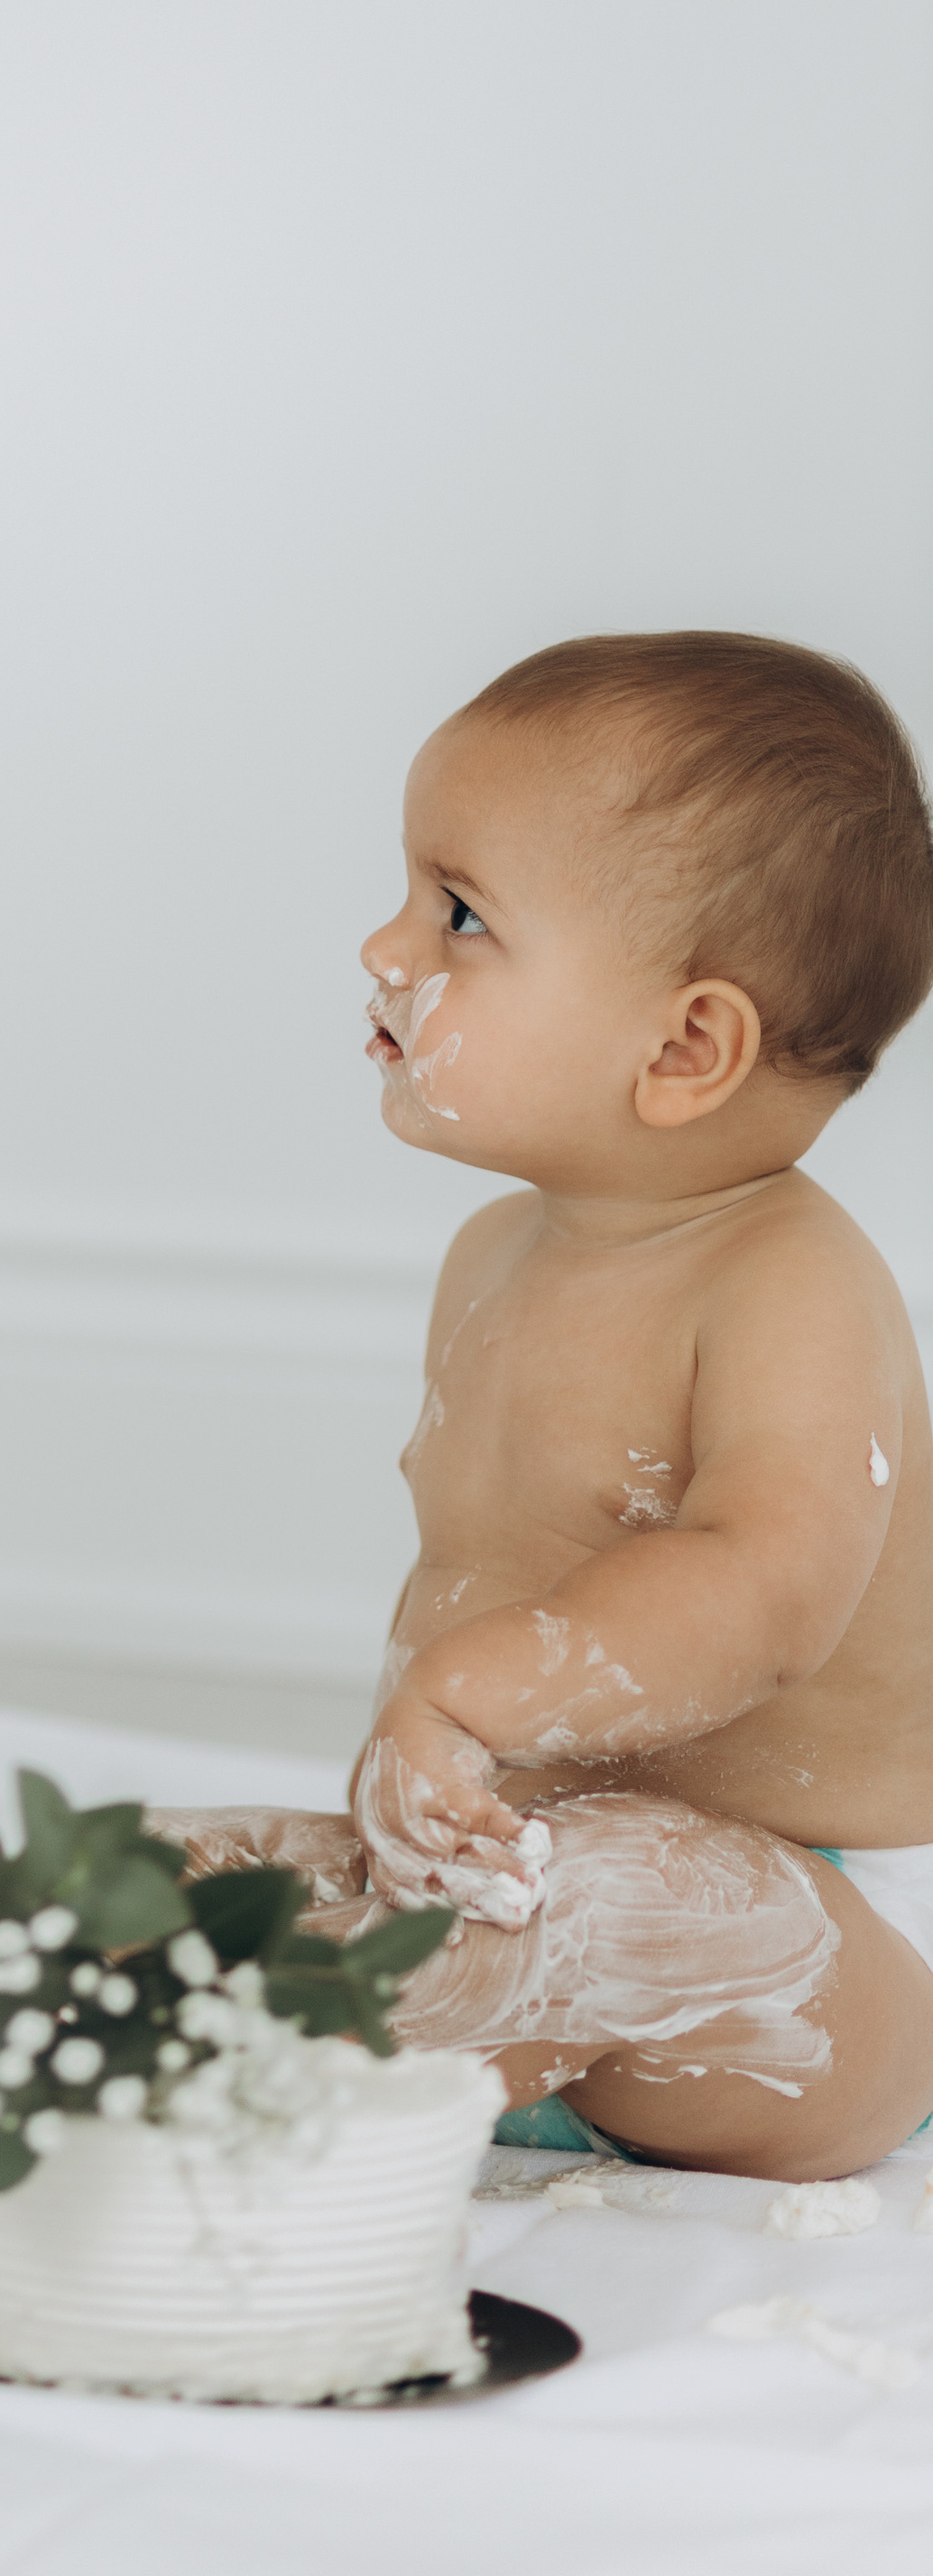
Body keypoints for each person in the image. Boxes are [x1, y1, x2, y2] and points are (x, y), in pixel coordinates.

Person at [152, 630, 933, 2179]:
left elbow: (766, 1589)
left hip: (786, 1952)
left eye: (458, 914)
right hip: (506, 1889)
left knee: (618, 1888)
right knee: (159, 1876)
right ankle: (331, 2017)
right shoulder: (494, 1253)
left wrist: (481, 1694)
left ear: (685, 1046)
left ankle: (330, 2078)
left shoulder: (793, 1287)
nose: (388, 948)